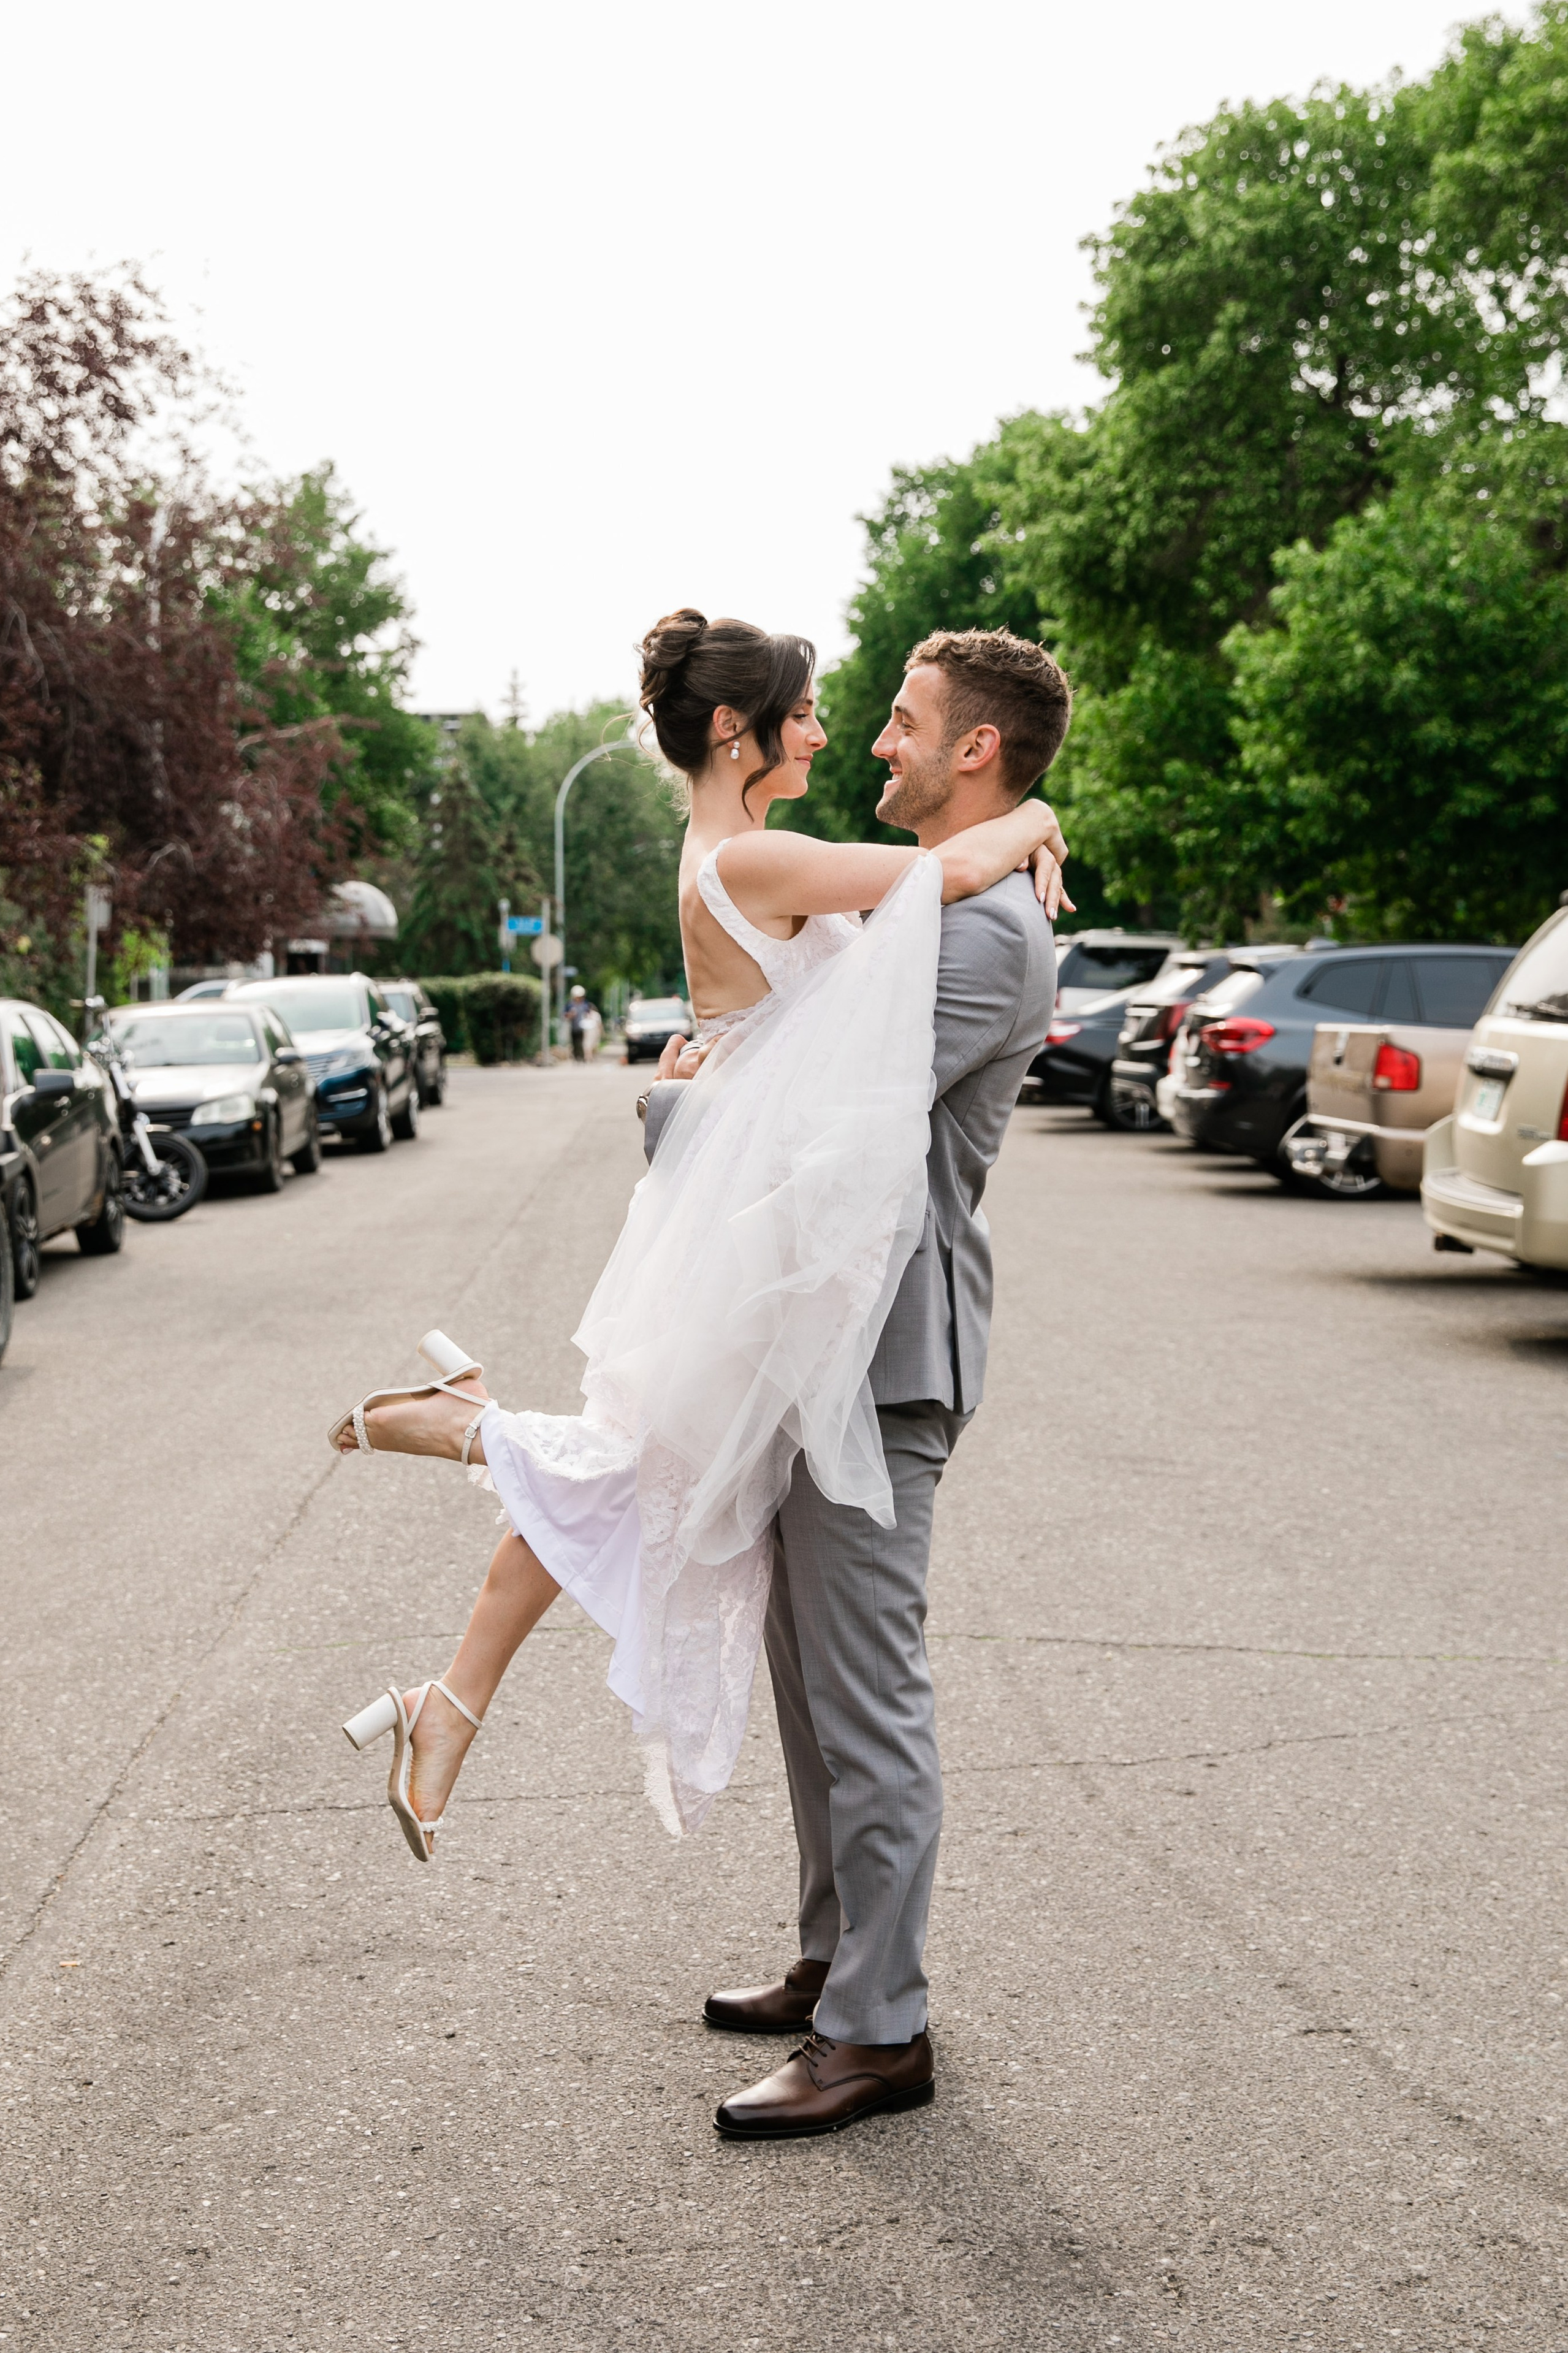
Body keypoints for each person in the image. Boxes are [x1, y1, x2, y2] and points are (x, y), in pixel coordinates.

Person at [329, 611, 1070, 2136]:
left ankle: (881, 2027)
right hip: (798, 1341)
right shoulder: (920, 901)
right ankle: (833, 1956)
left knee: (864, 1698)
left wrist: (676, 1118)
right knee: (809, 1685)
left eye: (907, 720)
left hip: (880, 1358)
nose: (871, 736)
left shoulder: (986, 933)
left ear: (976, 748)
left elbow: (821, 1134)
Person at [566, 984, 596, 1062]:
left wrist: (588, 1017)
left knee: (583, 1043)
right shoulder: (570, 1005)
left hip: (584, 1029)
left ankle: (583, 1057)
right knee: (575, 1044)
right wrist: (570, 1015)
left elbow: (589, 1014)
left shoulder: (585, 1004)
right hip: (574, 1027)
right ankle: (577, 1058)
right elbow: (565, 1015)